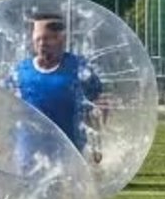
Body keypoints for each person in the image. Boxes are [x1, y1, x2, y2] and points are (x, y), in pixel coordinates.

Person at [8, 14, 106, 160]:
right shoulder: (20, 71)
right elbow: (6, 108)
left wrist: (96, 147)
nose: (41, 44)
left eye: (46, 39)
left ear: (61, 39)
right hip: (28, 155)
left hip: (70, 154)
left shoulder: (78, 69)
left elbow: (96, 108)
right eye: (37, 39)